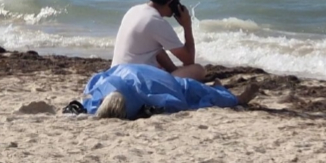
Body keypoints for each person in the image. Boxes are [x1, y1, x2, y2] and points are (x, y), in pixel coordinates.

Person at [76, 63, 261, 120]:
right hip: (148, 76)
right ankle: (235, 98)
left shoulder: (96, 104)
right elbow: (177, 103)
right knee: (198, 92)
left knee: (196, 92)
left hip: (151, 79)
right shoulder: (102, 90)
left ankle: (230, 96)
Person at [111, 0, 205, 82]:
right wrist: (187, 25)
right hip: (136, 82)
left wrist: (174, 70)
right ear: (171, 1)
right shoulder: (156, 21)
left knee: (158, 53)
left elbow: (157, 52)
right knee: (198, 70)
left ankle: (173, 75)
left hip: (117, 75)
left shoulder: (134, 10)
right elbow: (188, 60)